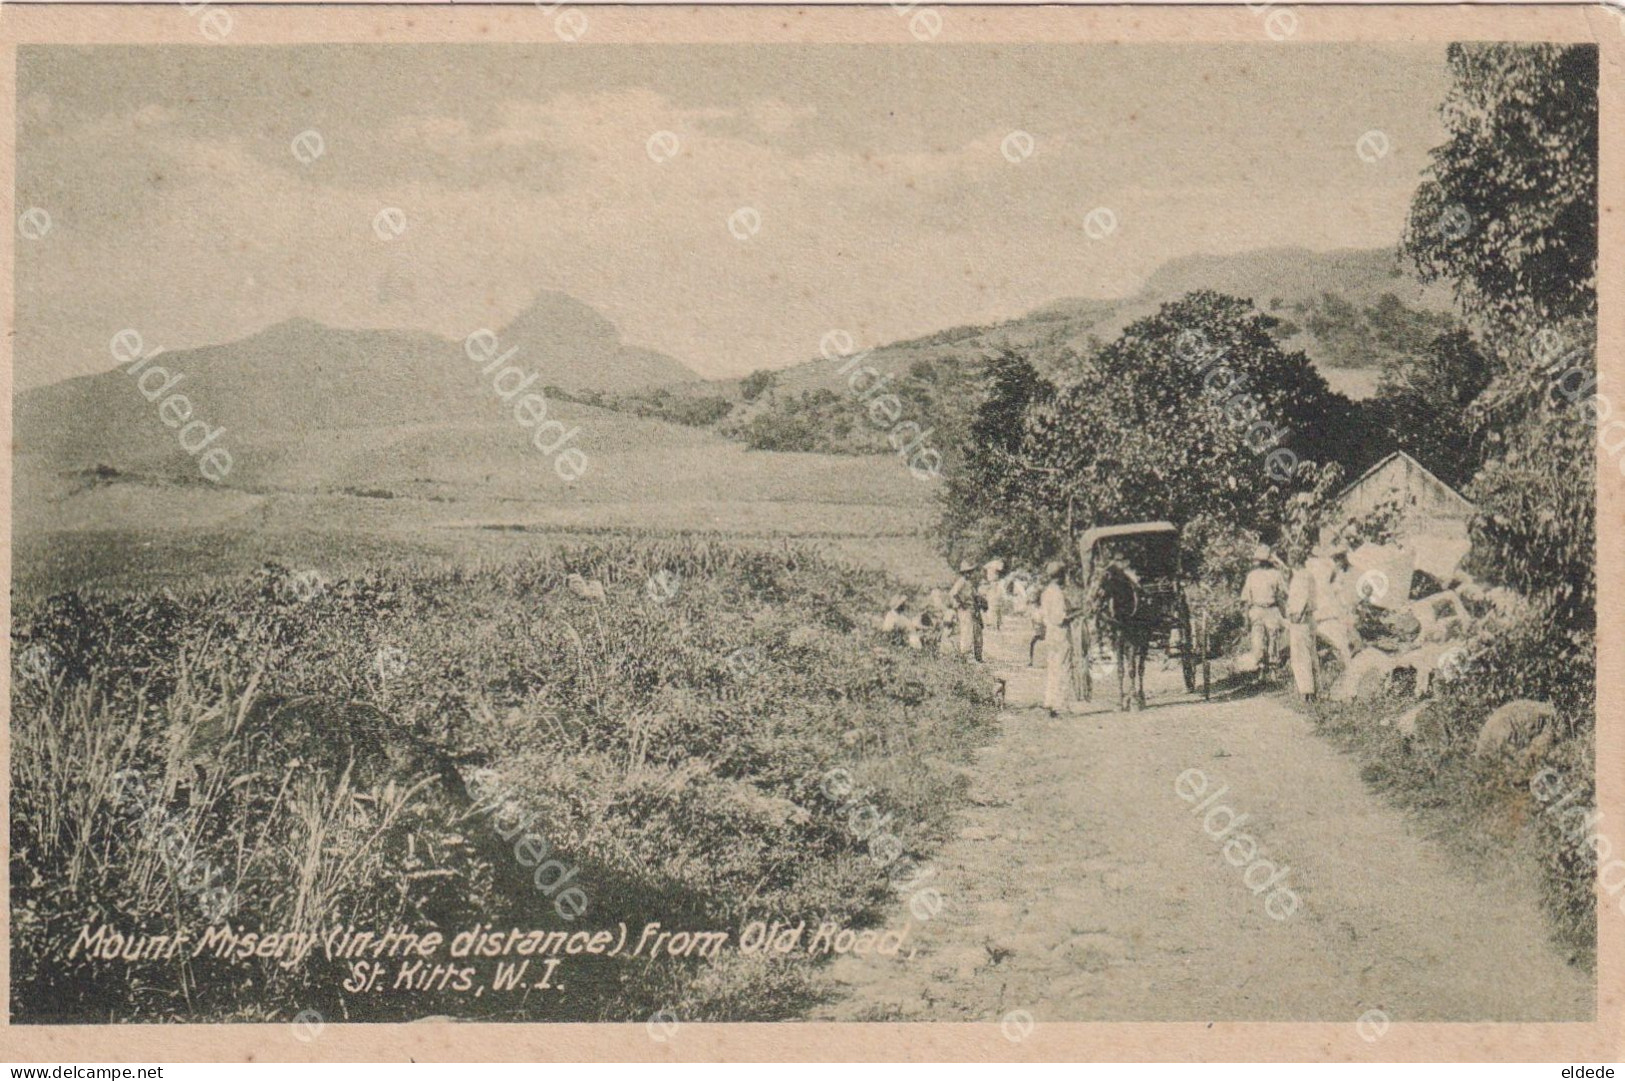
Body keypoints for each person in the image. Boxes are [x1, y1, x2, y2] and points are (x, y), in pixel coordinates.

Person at [1240, 544, 1287, 674]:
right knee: (1257, 641)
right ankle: (1261, 670)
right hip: (1256, 609)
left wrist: (1283, 613)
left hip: (1271, 609)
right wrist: (1246, 618)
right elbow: (1246, 599)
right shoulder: (1252, 576)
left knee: (1273, 639)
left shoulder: (1275, 575)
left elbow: (1281, 595)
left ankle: (1273, 670)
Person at [1039, 560, 1075, 717]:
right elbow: (1061, 618)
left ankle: (1050, 701)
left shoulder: (1046, 592)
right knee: (1064, 668)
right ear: (1060, 576)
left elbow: (1045, 615)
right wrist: (1076, 615)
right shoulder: (1059, 594)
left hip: (1050, 633)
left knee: (1052, 667)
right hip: (1060, 633)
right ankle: (1062, 705)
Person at [1284, 554, 1318, 701]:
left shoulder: (1301, 577)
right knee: (1308, 654)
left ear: (1295, 560)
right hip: (1305, 619)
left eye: (1291, 559)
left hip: (1301, 619)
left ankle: (1306, 692)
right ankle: (1311, 691)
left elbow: (1303, 598)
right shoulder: (1306, 575)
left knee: (1300, 656)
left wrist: (1298, 615)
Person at [948, 559, 985, 661]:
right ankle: (965, 655)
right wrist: (961, 603)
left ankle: (977, 656)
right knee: (966, 632)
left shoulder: (969, 583)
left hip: (972, 609)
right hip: (965, 610)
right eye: (968, 572)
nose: (970, 574)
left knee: (976, 632)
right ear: (964, 573)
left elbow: (975, 596)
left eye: (971, 572)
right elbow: (953, 593)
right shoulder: (961, 581)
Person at [981, 559, 1006, 631]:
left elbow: (984, 568)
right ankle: (995, 624)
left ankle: (995, 624)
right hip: (993, 583)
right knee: (994, 605)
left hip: (993, 582)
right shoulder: (996, 563)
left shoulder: (990, 564)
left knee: (994, 605)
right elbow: (1001, 568)